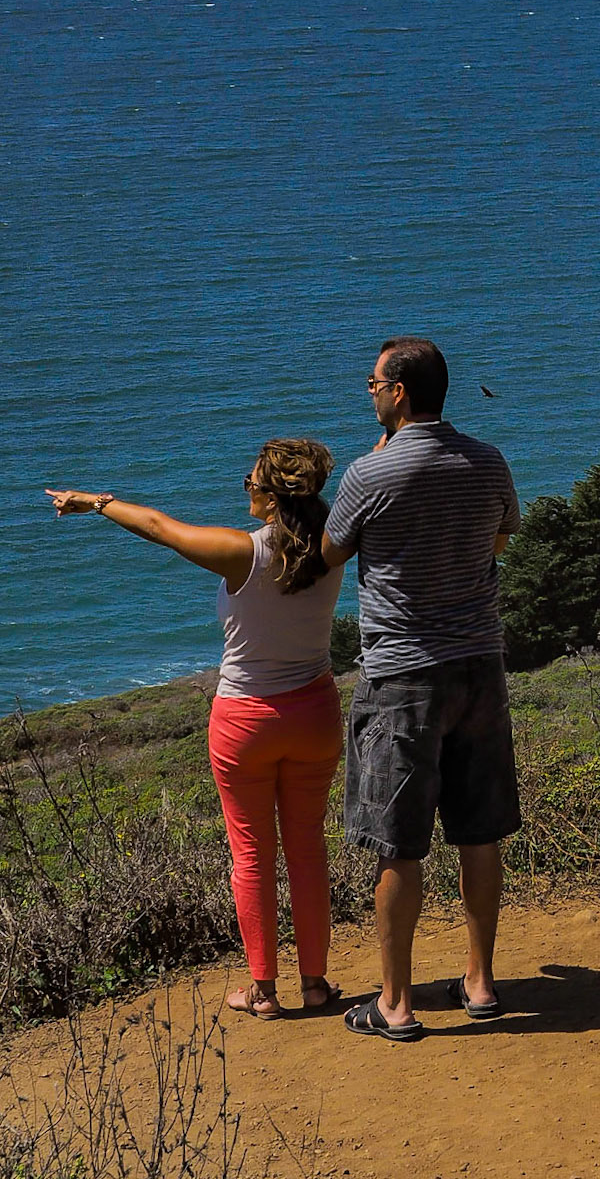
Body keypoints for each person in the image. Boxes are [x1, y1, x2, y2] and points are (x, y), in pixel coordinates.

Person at [49, 439, 345, 1020]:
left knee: (251, 854)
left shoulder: (242, 552)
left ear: (271, 495)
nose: (245, 488)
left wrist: (96, 502)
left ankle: (263, 991)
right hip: (314, 713)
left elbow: (160, 528)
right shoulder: (333, 544)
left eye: (251, 481)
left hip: (245, 722)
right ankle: (315, 984)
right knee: (308, 849)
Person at [321, 335, 521, 1041]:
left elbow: (330, 553)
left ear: (400, 392)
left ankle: (396, 1003)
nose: (370, 392)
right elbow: (501, 538)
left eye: (374, 384)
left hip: (403, 674)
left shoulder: (368, 474)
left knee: (398, 843)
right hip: (480, 664)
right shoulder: (488, 460)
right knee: (480, 832)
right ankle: (480, 982)